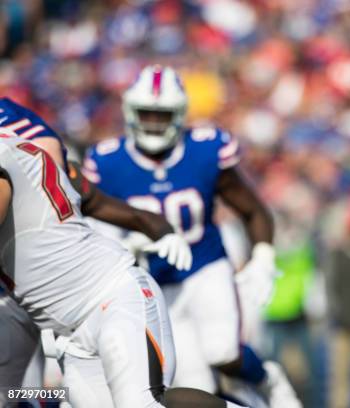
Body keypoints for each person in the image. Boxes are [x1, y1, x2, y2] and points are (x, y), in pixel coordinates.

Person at [84, 65, 302, 408]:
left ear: (180, 114)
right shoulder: (107, 161)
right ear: (130, 112)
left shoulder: (205, 149)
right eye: (147, 114)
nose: (154, 123)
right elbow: (95, 229)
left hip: (204, 264)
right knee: (192, 383)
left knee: (223, 351)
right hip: (153, 281)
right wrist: (127, 245)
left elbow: (252, 209)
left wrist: (262, 257)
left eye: (162, 115)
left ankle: (269, 380)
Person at [0, 97, 193, 406]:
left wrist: (161, 229)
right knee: (14, 396)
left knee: (141, 403)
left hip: (109, 296)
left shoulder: (6, 155)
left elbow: (94, 200)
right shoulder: (22, 150)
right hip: (66, 330)